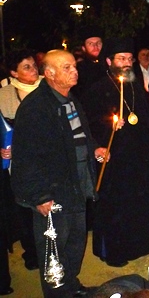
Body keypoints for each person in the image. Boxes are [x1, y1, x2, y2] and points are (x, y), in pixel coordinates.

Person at [11, 49, 108, 297]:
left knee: (75, 243)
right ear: (49, 73)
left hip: (76, 185)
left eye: (74, 65)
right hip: (53, 192)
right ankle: (58, 294)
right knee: (54, 250)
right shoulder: (35, 108)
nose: (75, 70)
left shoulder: (70, 100)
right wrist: (40, 196)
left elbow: (80, 134)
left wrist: (94, 148)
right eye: (67, 67)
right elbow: (26, 157)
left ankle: (71, 287)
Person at [81, 38, 149, 267]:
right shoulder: (98, 89)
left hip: (140, 155)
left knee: (141, 199)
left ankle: (145, 241)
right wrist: (109, 125)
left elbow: (147, 120)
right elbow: (88, 123)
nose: (127, 63)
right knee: (118, 204)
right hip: (115, 158)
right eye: (121, 59)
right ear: (109, 61)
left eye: (129, 59)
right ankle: (117, 250)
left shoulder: (136, 86)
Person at [0, 50, 42, 272]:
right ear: (14, 72)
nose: (34, 70)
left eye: (34, 65)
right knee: (26, 209)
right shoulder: (4, 95)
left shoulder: (49, 86)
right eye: (26, 67)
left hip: (48, 159)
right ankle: (32, 251)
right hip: (20, 164)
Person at [71, 26, 106, 98]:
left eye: (98, 43)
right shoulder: (79, 69)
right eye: (90, 44)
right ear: (84, 48)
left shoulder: (109, 66)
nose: (95, 47)